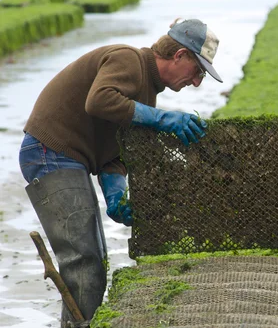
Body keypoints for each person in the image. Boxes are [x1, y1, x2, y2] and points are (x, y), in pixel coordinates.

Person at [19, 18, 222, 327]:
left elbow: (114, 154)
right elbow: (99, 100)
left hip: (71, 159)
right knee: (84, 264)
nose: (197, 82)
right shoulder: (128, 59)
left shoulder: (146, 92)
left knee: (95, 263)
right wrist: (162, 118)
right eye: (198, 71)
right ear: (179, 55)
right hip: (51, 152)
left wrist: (116, 194)